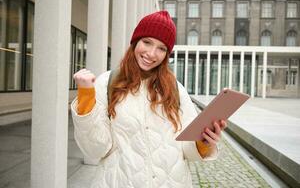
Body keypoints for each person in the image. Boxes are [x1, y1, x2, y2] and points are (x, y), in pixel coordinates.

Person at [71, 10, 227, 188]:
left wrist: (203, 142)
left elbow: (187, 149)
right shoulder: (107, 83)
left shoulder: (176, 89)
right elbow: (96, 148)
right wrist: (85, 99)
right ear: (135, 42)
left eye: (161, 48)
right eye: (147, 42)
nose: (152, 54)